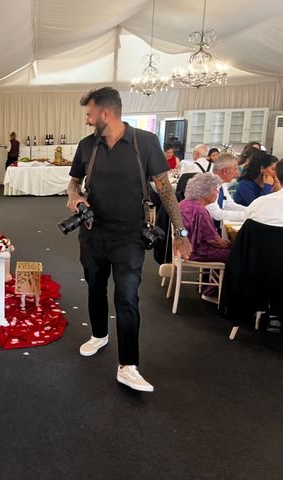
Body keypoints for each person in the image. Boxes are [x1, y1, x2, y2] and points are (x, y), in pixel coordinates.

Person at [67, 87, 191, 393]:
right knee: (95, 287)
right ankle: (98, 334)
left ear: (105, 113)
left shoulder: (145, 142)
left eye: (89, 113)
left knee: (126, 297)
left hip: (130, 237)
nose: (86, 119)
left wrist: (180, 231)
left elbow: (164, 189)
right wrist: (76, 198)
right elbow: (73, 182)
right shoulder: (87, 146)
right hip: (92, 233)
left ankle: (128, 365)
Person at [179, 173, 232, 263]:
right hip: (196, 253)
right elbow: (214, 241)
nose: (218, 192)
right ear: (204, 192)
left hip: (184, 248)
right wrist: (232, 245)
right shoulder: (200, 211)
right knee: (238, 254)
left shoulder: (183, 203)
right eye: (215, 189)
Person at [206, 152, 246, 225]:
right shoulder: (209, 185)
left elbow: (229, 205)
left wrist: (250, 211)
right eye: (235, 169)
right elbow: (216, 214)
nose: (238, 173)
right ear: (225, 171)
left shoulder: (221, 184)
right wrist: (246, 215)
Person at [247, 160, 283, 227]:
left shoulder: (260, 202)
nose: (274, 173)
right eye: (273, 169)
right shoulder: (246, 185)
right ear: (262, 169)